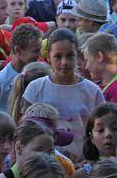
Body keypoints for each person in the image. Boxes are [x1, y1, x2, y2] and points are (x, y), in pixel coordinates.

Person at [21, 29, 104, 161]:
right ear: (48, 57)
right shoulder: (35, 88)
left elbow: (100, 131)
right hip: (43, 164)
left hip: (83, 164)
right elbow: (25, 132)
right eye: (58, 57)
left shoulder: (92, 91)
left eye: (70, 56)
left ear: (78, 55)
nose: (64, 62)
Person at [82, 32, 117, 123]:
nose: (86, 66)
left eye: (88, 60)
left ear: (99, 57)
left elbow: (114, 125)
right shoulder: (101, 86)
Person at [0, 22, 42, 114]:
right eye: (35, 51)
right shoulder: (1, 81)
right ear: (18, 50)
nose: (39, 55)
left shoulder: (39, 75)